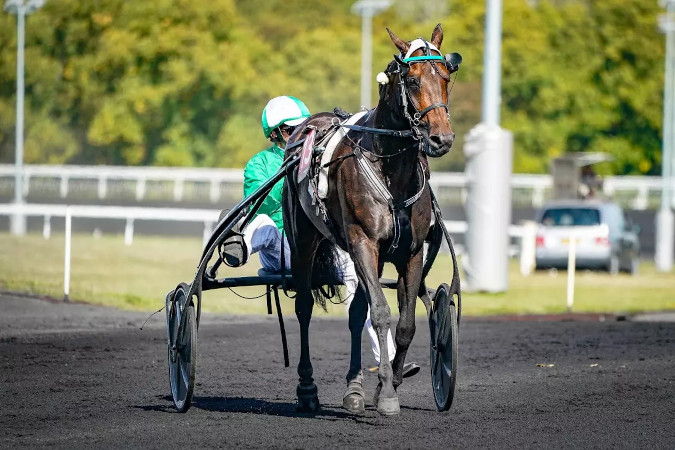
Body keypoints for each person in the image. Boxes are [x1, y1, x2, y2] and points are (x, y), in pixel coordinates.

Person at [222, 95, 419, 377]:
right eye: (291, 131)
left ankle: (386, 357)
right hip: (282, 247)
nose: (298, 136)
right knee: (262, 222)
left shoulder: (316, 158)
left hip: (325, 246)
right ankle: (237, 248)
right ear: (276, 134)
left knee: (360, 272)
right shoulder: (260, 164)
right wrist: (291, 181)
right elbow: (259, 205)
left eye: (303, 129)